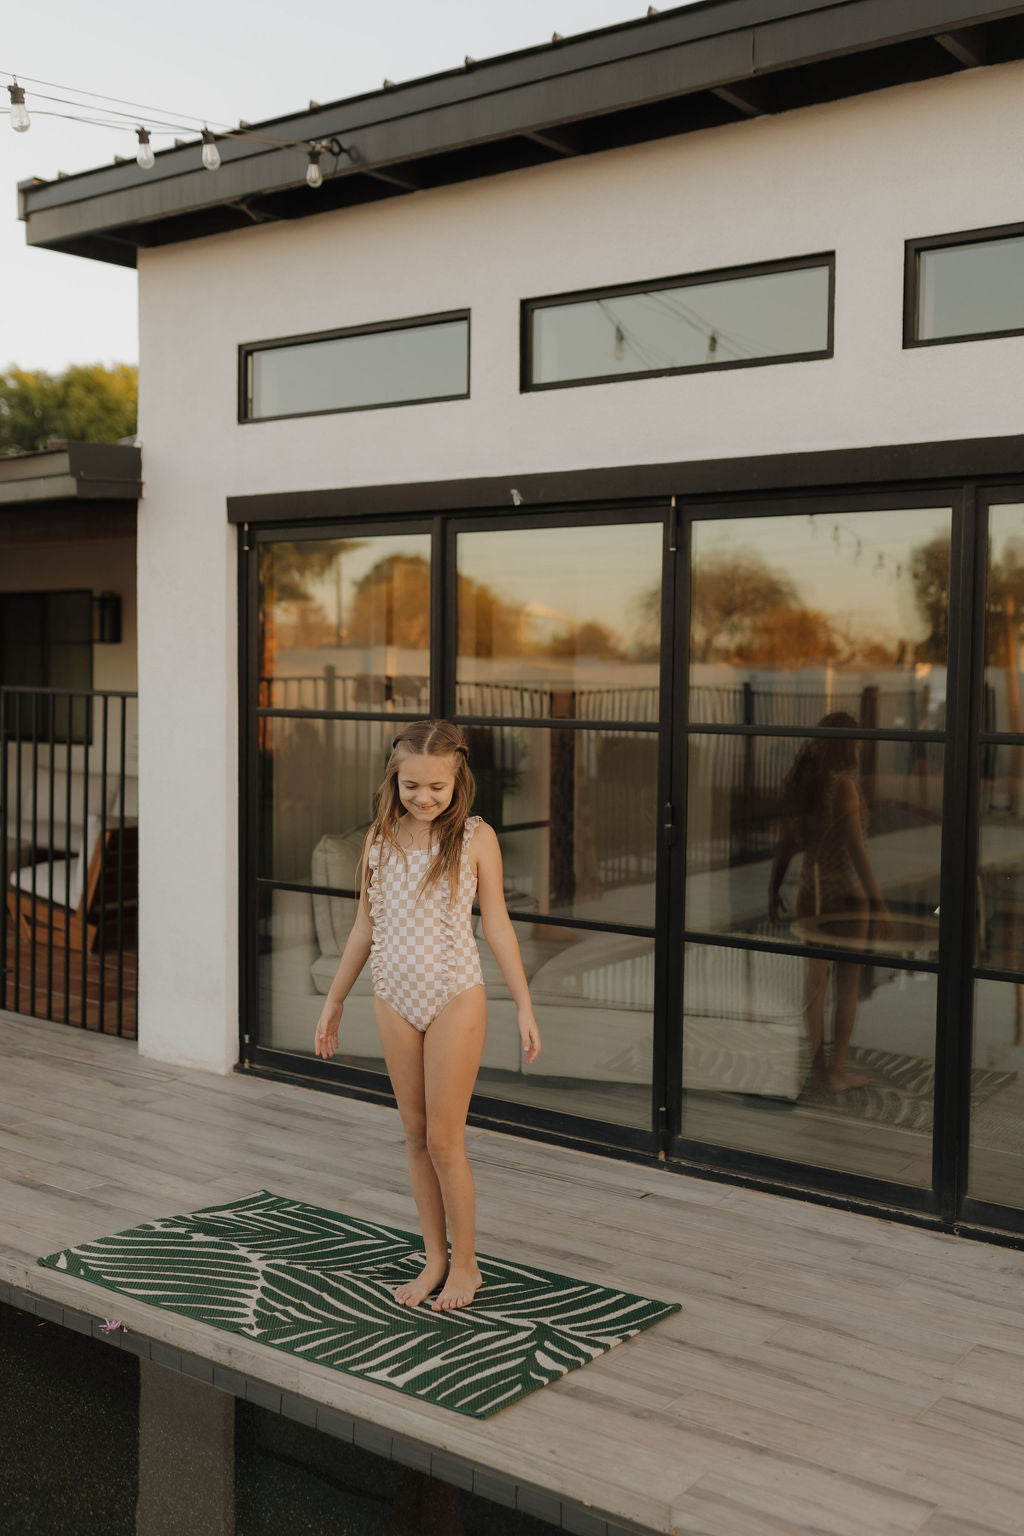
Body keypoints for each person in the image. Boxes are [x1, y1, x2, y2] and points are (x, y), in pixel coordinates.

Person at [313, 719, 541, 1312]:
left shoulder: (474, 838)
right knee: (414, 1137)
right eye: (412, 786)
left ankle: (466, 1265)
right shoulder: (379, 839)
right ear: (394, 779)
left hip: (454, 995)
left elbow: (496, 926)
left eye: (436, 788)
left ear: (457, 779)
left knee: (444, 1140)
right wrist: (335, 1000)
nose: (424, 798)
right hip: (392, 995)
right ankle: (433, 1256)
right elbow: (364, 927)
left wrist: (522, 1004)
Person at [769, 713, 890, 1093]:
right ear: (846, 744)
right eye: (855, 741)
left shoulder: (804, 785)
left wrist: (773, 888)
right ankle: (834, 1071)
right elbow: (857, 853)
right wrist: (880, 903)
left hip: (810, 892)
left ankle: (817, 1067)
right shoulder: (843, 788)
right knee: (846, 986)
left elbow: (786, 843)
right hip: (845, 897)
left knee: (814, 986)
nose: (859, 748)